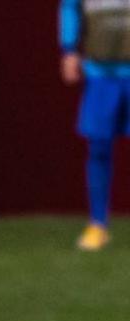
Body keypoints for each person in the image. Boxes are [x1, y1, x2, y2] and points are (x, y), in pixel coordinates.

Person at [61, 0, 130, 251]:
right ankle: (98, 224)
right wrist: (68, 49)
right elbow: (70, 6)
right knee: (99, 147)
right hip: (100, 72)